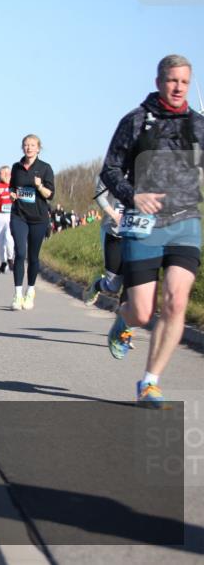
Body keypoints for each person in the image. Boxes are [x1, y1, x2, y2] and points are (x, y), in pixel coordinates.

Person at [100, 54, 201, 406]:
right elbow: (109, 171)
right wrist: (134, 195)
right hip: (144, 225)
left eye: (185, 82)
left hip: (186, 222)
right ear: (159, 81)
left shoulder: (198, 125)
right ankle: (123, 319)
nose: (178, 87)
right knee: (142, 312)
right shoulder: (136, 121)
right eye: (172, 80)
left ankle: (149, 382)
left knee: (176, 300)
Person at [9, 134, 55, 310]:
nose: (29, 148)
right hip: (19, 215)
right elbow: (12, 186)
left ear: (38, 148)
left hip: (38, 218)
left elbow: (50, 194)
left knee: (33, 257)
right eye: (26, 145)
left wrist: (39, 186)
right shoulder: (17, 167)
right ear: (23, 147)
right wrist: (13, 193)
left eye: (32, 145)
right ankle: (17, 294)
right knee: (20, 252)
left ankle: (30, 292)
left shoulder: (45, 168)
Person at [83, 176, 126, 310]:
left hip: (136, 235)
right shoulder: (113, 170)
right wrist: (114, 215)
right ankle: (97, 285)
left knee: (132, 282)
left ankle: (125, 325)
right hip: (113, 231)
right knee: (113, 286)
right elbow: (100, 195)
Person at [0, 166, 15, 274]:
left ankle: (10, 258)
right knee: (0, 241)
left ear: (8, 174)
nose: (0, 175)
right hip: (0, 215)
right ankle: (3, 261)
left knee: (9, 238)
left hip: (11, 215)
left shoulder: (14, 185)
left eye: (2, 173)